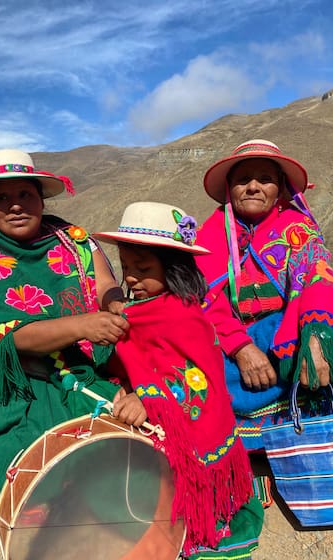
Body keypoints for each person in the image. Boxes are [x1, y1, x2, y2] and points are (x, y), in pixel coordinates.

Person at [0, 149, 145, 556]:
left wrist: (114, 305)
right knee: (29, 441)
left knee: (119, 431)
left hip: (79, 365)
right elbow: (3, 339)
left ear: (41, 199)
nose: (15, 205)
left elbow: (105, 286)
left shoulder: (76, 242)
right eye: (1, 198)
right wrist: (83, 325)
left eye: (25, 194)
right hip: (15, 373)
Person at [93, 201, 264, 560]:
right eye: (126, 267)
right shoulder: (140, 311)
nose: (132, 278)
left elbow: (199, 379)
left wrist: (148, 398)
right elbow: (135, 359)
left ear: (172, 268)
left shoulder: (186, 315)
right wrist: (124, 384)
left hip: (185, 428)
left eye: (143, 268)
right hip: (155, 423)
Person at [195, 139, 333, 451]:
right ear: (229, 188)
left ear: (280, 188)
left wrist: (315, 340)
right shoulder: (209, 236)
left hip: (285, 337)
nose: (252, 187)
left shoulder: (297, 228)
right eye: (242, 180)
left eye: (264, 179)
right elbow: (200, 297)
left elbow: (317, 282)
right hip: (226, 344)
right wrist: (241, 347)